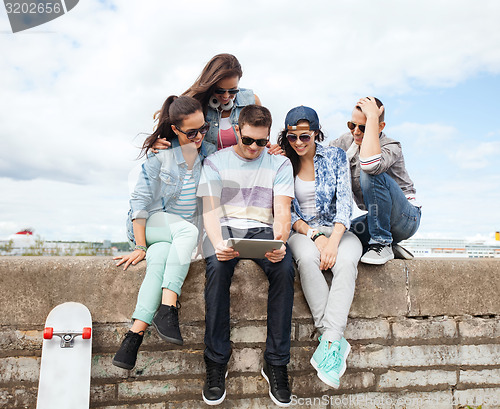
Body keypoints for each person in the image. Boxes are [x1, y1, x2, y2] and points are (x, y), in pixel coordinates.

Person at [197, 105, 295, 406]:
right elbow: (210, 212)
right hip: (224, 229)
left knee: (285, 268)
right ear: (237, 131)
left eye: (262, 142)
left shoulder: (280, 164)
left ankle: (276, 363)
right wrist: (217, 243)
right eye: (249, 140)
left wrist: (279, 242)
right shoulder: (215, 162)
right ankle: (216, 362)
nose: (254, 148)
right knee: (216, 268)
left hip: (263, 230)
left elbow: (282, 213)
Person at [112, 95, 216, 370]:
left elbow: (238, 148)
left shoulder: (208, 155)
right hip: (153, 226)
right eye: (191, 132)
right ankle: (168, 308)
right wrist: (140, 246)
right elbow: (139, 205)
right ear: (175, 130)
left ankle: (133, 337)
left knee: (158, 263)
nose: (199, 137)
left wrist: (274, 149)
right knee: (185, 232)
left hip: (175, 238)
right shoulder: (160, 159)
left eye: (203, 129)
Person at [277, 106, 362, 389]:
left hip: (338, 228)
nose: (298, 143)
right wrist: (316, 237)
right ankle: (334, 342)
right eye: (292, 137)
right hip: (303, 231)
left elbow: (345, 204)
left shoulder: (335, 156)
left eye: (305, 137)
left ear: (315, 133)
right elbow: (289, 213)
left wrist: (333, 241)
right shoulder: (283, 163)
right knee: (306, 259)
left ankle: (329, 341)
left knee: (347, 262)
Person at [330, 97, 421, 265]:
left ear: (380, 126)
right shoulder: (345, 142)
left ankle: (381, 242)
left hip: (405, 218)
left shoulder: (391, 146)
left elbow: (370, 165)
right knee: (341, 234)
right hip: (376, 219)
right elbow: (317, 159)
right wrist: (282, 151)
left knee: (369, 172)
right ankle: (390, 247)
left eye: (363, 127)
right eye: (352, 125)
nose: (356, 131)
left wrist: (373, 117)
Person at [152, 53, 281, 154]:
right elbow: (180, 132)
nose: (226, 96)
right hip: (208, 173)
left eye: (232, 90)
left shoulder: (251, 101)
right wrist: (159, 143)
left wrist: (269, 146)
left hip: (244, 173)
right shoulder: (196, 105)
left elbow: (261, 136)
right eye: (219, 90)